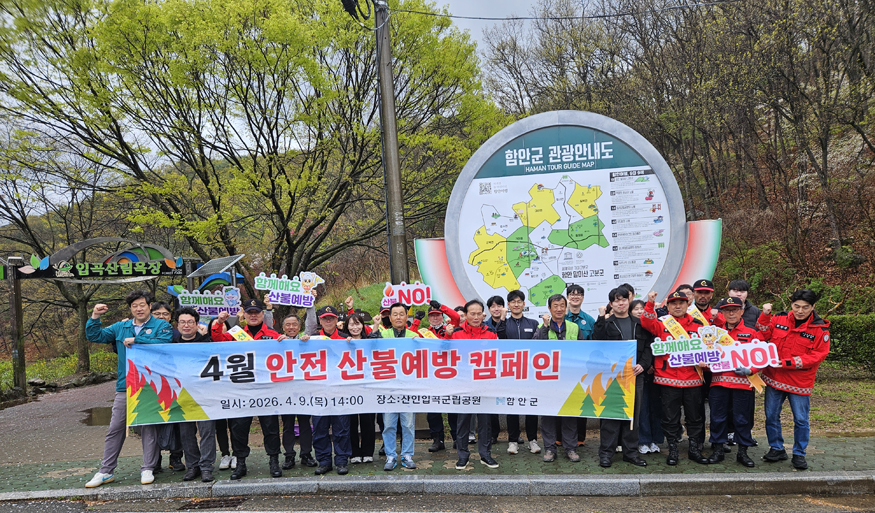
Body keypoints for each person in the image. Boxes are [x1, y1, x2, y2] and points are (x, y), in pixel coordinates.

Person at [84, 290, 174, 488]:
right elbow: (94, 335)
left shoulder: (162, 326)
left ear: (149, 306)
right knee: (115, 428)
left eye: (142, 304)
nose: (139, 308)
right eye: (134, 306)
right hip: (126, 386)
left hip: (152, 385)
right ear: (131, 309)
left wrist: (138, 340)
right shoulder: (121, 327)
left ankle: (148, 467)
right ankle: (105, 471)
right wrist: (95, 316)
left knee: (148, 427)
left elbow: (164, 344)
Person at [757, 289, 830, 470]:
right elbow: (763, 334)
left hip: (800, 382)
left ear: (813, 307)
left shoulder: (820, 329)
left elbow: (818, 355)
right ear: (791, 305)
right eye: (796, 306)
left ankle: (799, 453)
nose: (800, 311)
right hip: (774, 378)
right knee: (771, 416)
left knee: (801, 420)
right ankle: (776, 448)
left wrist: (788, 362)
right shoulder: (779, 318)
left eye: (805, 307)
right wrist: (765, 316)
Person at [212, 298, 284, 480]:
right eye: (249, 312)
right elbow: (217, 339)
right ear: (244, 314)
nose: (253, 315)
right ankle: (241, 463)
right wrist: (219, 323)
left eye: (256, 312)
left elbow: (286, 355)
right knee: (238, 427)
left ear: (262, 314)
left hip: (266, 389)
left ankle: (274, 461)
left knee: (271, 427)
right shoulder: (235, 333)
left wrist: (286, 342)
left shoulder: (273, 335)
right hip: (241, 389)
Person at [640, 290, 709, 466]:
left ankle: (694, 448)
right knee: (670, 417)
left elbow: (709, 348)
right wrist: (650, 303)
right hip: (668, 379)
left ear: (687, 305)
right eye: (673, 303)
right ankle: (673, 450)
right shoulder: (662, 324)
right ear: (668, 307)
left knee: (694, 417)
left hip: (693, 378)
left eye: (681, 303)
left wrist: (706, 360)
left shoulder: (699, 325)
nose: (678, 306)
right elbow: (646, 322)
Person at [593, 286, 653, 467]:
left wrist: (643, 365)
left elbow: (650, 347)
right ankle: (606, 454)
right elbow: (597, 343)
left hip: (636, 377)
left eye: (623, 299)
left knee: (632, 416)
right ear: (611, 304)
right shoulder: (606, 323)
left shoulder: (640, 323)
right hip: (612, 377)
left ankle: (631, 453)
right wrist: (601, 319)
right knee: (611, 416)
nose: (621, 303)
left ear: (629, 300)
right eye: (616, 300)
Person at [704, 297, 761, 467]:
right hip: (719, 383)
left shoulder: (751, 333)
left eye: (735, 310)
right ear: (722, 313)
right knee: (717, 418)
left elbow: (761, 358)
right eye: (727, 310)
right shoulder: (713, 335)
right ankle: (718, 450)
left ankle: (743, 452)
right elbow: (706, 358)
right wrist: (705, 364)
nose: (731, 313)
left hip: (742, 383)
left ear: (742, 311)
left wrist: (751, 370)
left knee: (742, 419)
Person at [534, 294, 585, 463]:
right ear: (549, 309)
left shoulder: (574, 327)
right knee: (548, 416)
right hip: (548, 380)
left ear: (566, 307)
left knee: (570, 414)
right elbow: (534, 348)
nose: (559, 309)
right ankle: (549, 448)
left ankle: (570, 448)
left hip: (568, 379)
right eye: (555, 306)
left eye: (562, 305)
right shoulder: (542, 327)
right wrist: (546, 328)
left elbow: (582, 351)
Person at [370, 304, 420, 470]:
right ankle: (390, 456)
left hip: (408, 388)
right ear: (389, 318)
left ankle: (407, 455)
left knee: (408, 424)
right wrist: (375, 326)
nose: (398, 317)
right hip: (388, 388)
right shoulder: (383, 335)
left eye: (401, 314)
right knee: (389, 424)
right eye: (395, 314)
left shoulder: (415, 336)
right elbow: (371, 347)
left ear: (407, 317)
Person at [451, 299, 500, 470]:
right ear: (465, 315)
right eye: (472, 313)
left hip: (485, 384)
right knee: (463, 421)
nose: (476, 317)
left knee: (485, 421)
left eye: (479, 313)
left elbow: (497, 358)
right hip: (463, 385)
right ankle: (462, 455)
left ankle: (485, 455)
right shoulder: (456, 335)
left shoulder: (491, 334)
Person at [173, 307, 217, 482]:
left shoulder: (208, 342)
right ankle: (193, 466)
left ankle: (207, 467)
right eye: (182, 322)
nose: (186, 325)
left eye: (190, 322)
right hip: (182, 394)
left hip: (205, 394)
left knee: (207, 431)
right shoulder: (170, 344)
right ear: (177, 325)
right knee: (186, 433)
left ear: (197, 324)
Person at [309, 305, 352, 475]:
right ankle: (324, 460)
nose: (328, 321)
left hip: (339, 391)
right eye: (325, 318)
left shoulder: (345, 339)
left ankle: (341, 460)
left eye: (331, 318)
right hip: (318, 391)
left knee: (341, 428)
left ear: (336, 320)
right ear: (320, 320)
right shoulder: (310, 340)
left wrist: (352, 345)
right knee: (320, 428)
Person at [498, 289, 541, 455]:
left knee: (531, 407)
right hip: (510, 372)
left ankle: (532, 440)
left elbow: (539, 345)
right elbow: (499, 337)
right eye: (513, 302)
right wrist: (502, 318)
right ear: (508, 305)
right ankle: (513, 441)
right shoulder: (504, 324)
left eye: (519, 301)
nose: (516, 305)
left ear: (524, 304)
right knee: (512, 408)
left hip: (530, 372)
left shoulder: (532, 323)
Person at [148, 302, 185, 474]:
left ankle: (176, 458)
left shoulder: (178, 334)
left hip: (174, 382)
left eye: (165, 314)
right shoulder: (142, 333)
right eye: (157, 314)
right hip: (150, 383)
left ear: (170, 317)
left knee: (177, 420)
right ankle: (154, 461)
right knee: (152, 422)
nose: (161, 317)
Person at [278, 313, 318, 469]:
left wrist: (308, 342)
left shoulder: (306, 340)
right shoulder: (278, 342)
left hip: (304, 390)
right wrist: (277, 343)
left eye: (294, 324)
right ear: (283, 327)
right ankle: (289, 456)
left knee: (305, 424)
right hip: (285, 390)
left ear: (299, 326)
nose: (291, 327)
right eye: (288, 325)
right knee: (287, 424)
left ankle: (306, 454)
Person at [423, 300, 461, 452]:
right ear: (428, 318)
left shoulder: (450, 329)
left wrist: (442, 307)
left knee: (453, 409)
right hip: (431, 376)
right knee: (433, 410)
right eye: (432, 316)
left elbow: (456, 318)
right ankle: (437, 439)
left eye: (438, 315)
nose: (435, 318)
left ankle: (457, 438)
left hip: (451, 374)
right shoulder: (422, 333)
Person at [630, 299, 664, 455]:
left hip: (655, 373)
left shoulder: (654, 326)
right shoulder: (632, 328)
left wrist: (650, 364)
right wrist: (643, 365)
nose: (639, 311)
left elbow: (652, 347)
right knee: (642, 408)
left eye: (642, 309)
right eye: (635, 309)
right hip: (639, 373)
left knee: (655, 408)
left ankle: (656, 440)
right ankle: (643, 440)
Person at [564, 284, 596, 445]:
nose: (575, 297)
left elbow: (595, 344)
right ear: (567, 297)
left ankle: (580, 438)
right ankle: (559, 437)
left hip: (583, 369)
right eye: (571, 294)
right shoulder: (561, 318)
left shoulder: (589, 320)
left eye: (578, 294)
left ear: (583, 298)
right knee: (562, 401)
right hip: (563, 369)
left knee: (582, 402)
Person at [344, 314, 377, 465]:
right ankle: (354, 452)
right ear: (347, 326)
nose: (355, 327)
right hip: (349, 387)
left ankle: (368, 452)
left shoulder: (369, 341)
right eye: (351, 324)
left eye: (358, 324)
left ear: (363, 326)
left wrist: (376, 325)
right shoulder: (342, 341)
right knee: (351, 422)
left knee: (368, 421)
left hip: (367, 387)